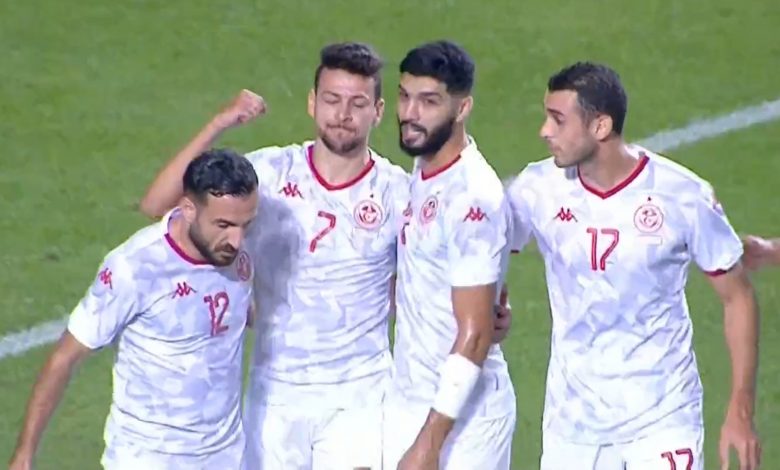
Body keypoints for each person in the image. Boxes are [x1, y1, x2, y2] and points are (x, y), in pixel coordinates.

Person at [139, 42, 408, 469]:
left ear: (377, 112)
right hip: (277, 395)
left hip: (360, 396)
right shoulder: (270, 175)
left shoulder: (398, 194)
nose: (343, 114)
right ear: (312, 103)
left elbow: (430, 279)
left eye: (357, 104)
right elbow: (159, 204)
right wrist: (220, 123)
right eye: (332, 100)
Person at [505, 61, 761, 470]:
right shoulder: (537, 188)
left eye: (558, 119)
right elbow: (485, 252)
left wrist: (740, 412)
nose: (544, 131)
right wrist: (495, 301)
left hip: (663, 417)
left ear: (600, 126)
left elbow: (738, 297)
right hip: (573, 424)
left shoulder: (682, 195)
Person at [8, 148, 259, 470]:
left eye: (245, 225)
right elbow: (64, 358)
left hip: (225, 456)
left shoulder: (233, 252)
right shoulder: (136, 268)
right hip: (149, 458)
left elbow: (237, 314)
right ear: (188, 209)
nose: (236, 240)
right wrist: (24, 454)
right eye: (223, 224)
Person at [383, 40, 517, 470]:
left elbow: (475, 335)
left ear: (462, 108)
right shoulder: (425, 168)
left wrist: (430, 443)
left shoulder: (471, 196)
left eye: (429, 102)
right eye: (405, 96)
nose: (410, 113)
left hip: (462, 419)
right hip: (412, 398)